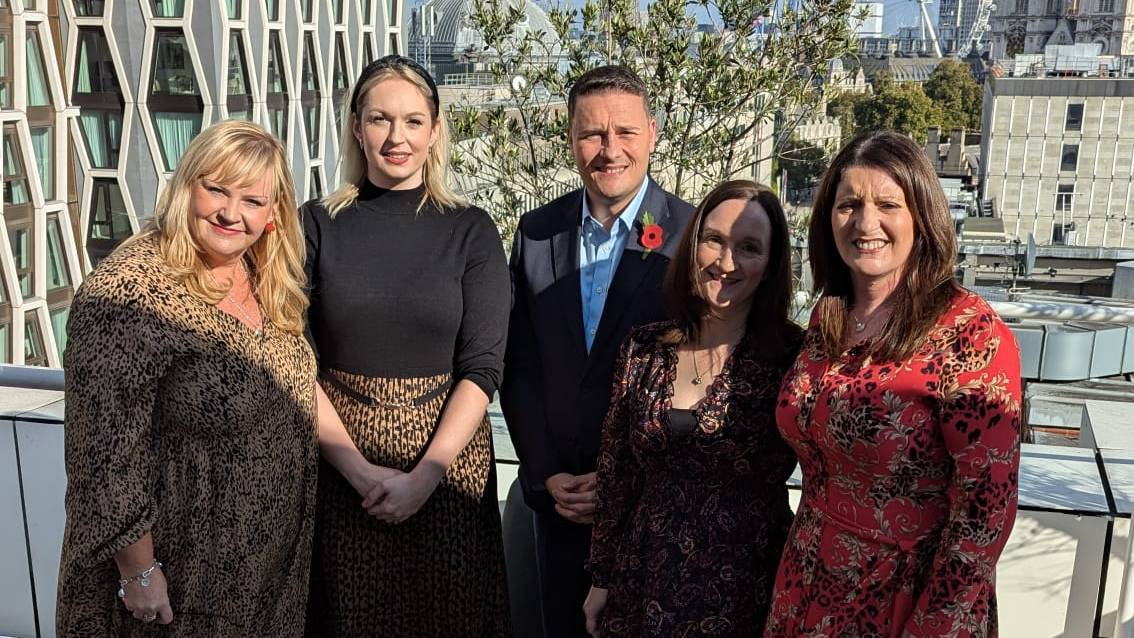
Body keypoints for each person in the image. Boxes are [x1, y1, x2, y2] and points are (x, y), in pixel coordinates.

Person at [56, 120, 315, 636]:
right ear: (186, 186)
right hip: (177, 588)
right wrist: (139, 572)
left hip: (264, 582)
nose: (230, 213)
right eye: (215, 189)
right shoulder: (130, 291)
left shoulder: (262, 275)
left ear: (273, 214)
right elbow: (102, 455)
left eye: (252, 200)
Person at [762, 130, 1022, 638]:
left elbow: (985, 510)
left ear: (921, 216)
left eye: (887, 205)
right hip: (804, 581)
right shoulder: (828, 319)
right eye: (848, 205)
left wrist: (933, 625)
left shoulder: (969, 332)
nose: (865, 223)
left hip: (903, 599)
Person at [302, 55, 510, 637]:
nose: (397, 138)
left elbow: (482, 367)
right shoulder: (314, 225)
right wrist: (359, 472)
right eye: (380, 119)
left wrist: (425, 477)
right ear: (356, 127)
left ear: (435, 131)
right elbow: (296, 362)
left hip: (449, 473)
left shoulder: (471, 229)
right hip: (342, 471)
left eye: (414, 121)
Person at [501, 64, 695, 638]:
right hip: (562, 505)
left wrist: (622, 481)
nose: (610, 150)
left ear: (652, 133)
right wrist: (546, 473)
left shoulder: (692, 236)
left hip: (652, 514)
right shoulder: (536, 233)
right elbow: (520, 367)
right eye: (592, 133)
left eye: (625, 132)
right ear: (570, 139)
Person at [581, 180, 803, 637]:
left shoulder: (793, 357)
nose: (726, 262)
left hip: (745, 587)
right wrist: (601, 577)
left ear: (771, 264)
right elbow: (618, 471)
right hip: (642, 577)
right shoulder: (644, 348)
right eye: (714, 240)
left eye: (748, 248)